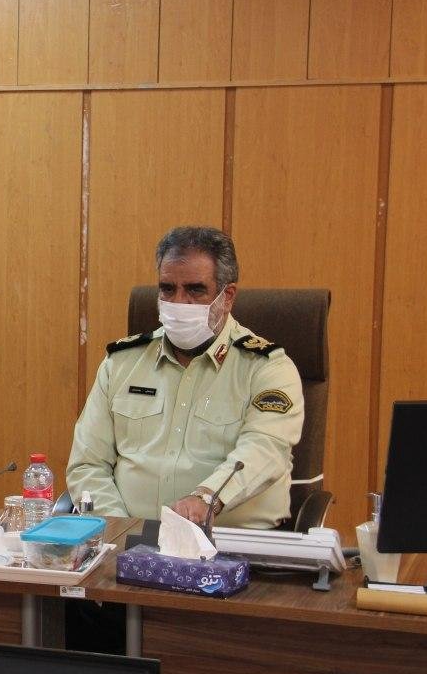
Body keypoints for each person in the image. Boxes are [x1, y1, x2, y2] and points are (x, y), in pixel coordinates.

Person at [66, 226, 304, 530]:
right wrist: (120, 530)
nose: (179, 302)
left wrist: (207, 498)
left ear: (227, 296)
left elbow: (264, 450)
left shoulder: (266, 369)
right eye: (167, 289)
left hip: (230, 542)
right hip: (129, 539)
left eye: (195, 290)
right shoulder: (122, 363)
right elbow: (88, 464)